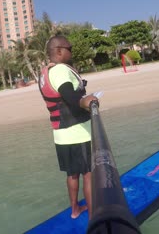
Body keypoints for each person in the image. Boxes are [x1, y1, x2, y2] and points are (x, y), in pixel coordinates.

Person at [38, 35, 98, 219]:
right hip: (77, 133)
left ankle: (75, 210)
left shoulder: (46, 72)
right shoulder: (61, 71)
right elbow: (71, 98)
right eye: (69, 48)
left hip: (61, 135)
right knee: (88, 173)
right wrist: (86, 102)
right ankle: (94, 215)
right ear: (58, 51)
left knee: (72, 174)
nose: (71, 51)